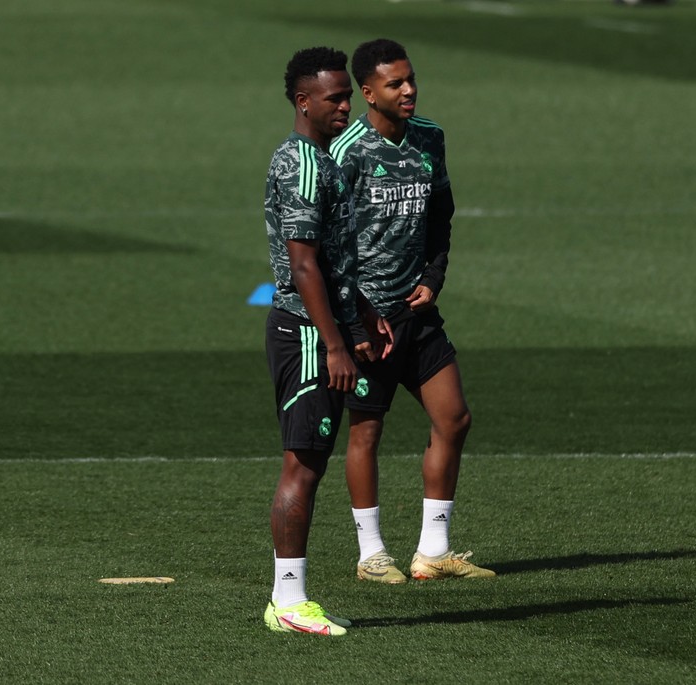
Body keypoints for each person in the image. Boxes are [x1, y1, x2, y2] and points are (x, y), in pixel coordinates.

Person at [330, 38, 494, 584]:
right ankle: (372, 555)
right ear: (367, 92)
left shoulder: (429, 138)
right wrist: (353, 319)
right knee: (367, 432)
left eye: (412, 79)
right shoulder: (346, 151)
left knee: (454, 418)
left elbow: (442, 216)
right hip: (367, 317)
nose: (409, 90)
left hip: (417, 308)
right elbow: (328, 246)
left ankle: (432, 550)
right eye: (395, 83)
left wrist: (433, 278)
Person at [262, 46, 393, 636]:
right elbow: (306, 265)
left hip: (331, 325)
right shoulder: (304, 166)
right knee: (303, 464)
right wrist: (336, 343)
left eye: (347, 94)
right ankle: (288, 602)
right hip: (310, 333)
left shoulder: (327, 161)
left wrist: (363, 312)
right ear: (303, 101)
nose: (346, 105)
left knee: (310, 460)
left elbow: (338, 259)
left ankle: (290, 600)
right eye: (336, 97)